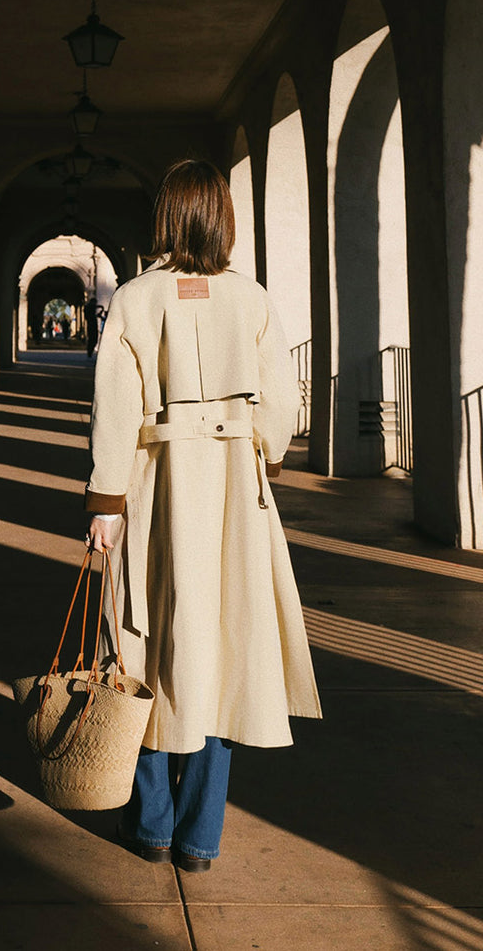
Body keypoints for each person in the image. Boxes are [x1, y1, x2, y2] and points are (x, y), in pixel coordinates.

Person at [85, 159, 321, 873]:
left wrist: (106, 500)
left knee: (146, 647)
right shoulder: (251, 300)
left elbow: (114, 408)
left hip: (157, 486)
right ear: (221, 216)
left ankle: (152, 823)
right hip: (233, 491)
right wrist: (264, 459)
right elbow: (283, 405)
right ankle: (199, 838)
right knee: (224, 653)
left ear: (165, 216)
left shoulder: (134, 298)